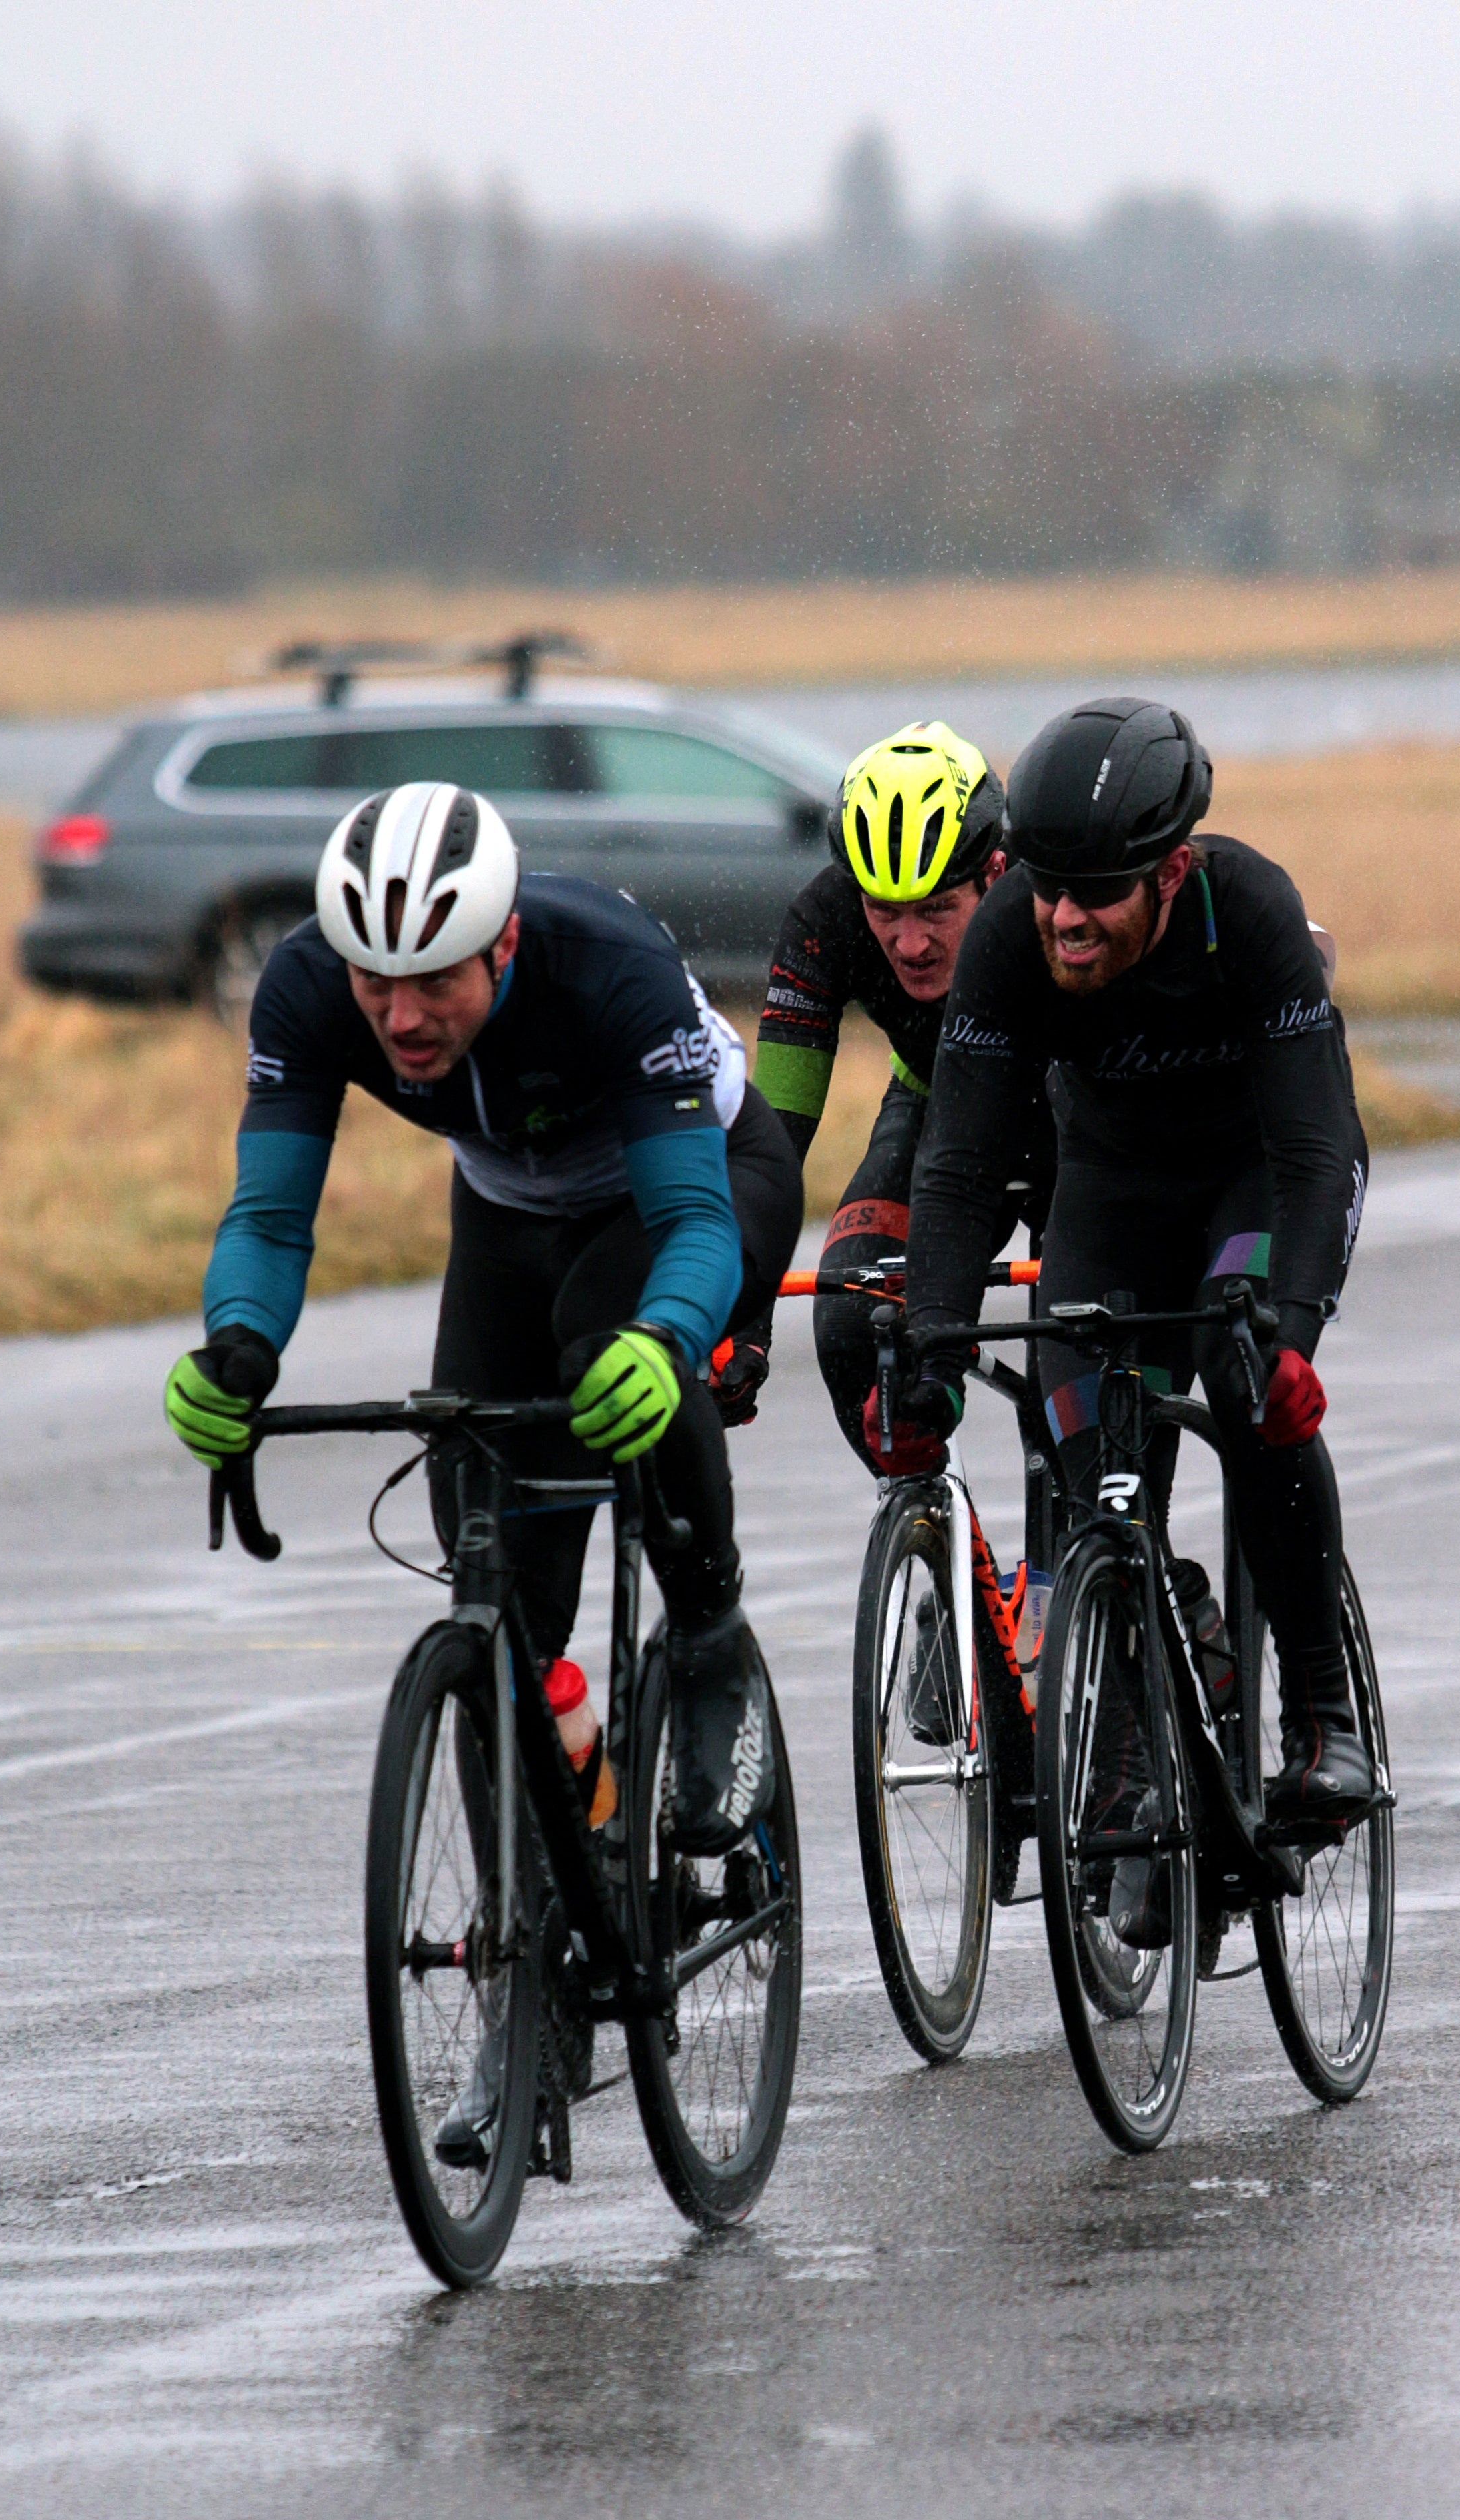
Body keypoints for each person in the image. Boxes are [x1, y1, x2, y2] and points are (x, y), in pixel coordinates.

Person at [162, 781, 803, 1859]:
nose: (402, 1018)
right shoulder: (308, 987)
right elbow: (270, 1220)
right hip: (510, 1208)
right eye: (378, 981)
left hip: (694, 1185)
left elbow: (694, 1221)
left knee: (612, 1349)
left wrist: (669, 1341)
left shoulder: (609, 964)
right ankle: (553, 1912)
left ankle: (708, 1635)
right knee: (496, 1576)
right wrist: (237, 1348)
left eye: (432, 983)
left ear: (502, 944)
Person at [893, 694, 1374, 1937]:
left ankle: (1322, 1713)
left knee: (1242, 1372)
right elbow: (956, 1161)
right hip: (1108, 1189)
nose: (1062, 917)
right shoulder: (1011, 936)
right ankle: (1132, 1726)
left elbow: (1319, 1148)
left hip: (1254, 1176)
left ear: (1168, 874)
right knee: (1081, 1433)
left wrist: (1297, 1330)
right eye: (1047, 888)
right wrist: (934, 1331)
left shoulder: (1247, 912)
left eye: (1094, 893)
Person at [748, 721, 1050, 1466]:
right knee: (853, 1323)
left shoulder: (1049, 906)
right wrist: (741, 1318)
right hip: (936, 1111)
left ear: (997, 873)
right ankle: (934, 1538)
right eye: (886, 912)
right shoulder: (824, 920)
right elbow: (770, 1142)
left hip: (1069, 1120)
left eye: (937, 910)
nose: (910, 943)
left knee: (1072, 1376)